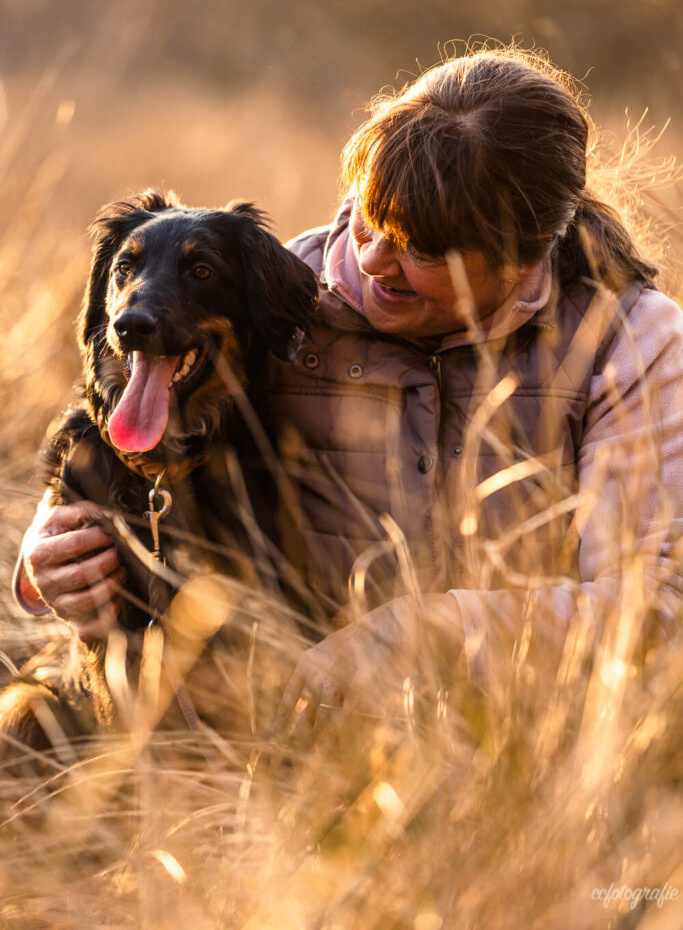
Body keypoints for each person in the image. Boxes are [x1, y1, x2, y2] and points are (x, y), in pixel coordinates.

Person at [14, 47, 683, 726]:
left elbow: (652, 603)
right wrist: (47, 554)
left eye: (421, 249)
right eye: (371, 215)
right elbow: (118, 426)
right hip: (282, 725)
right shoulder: (281, 288)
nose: (370, 261)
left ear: (527, 252)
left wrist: (421, 634)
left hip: (523, 732)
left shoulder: (628, 341)